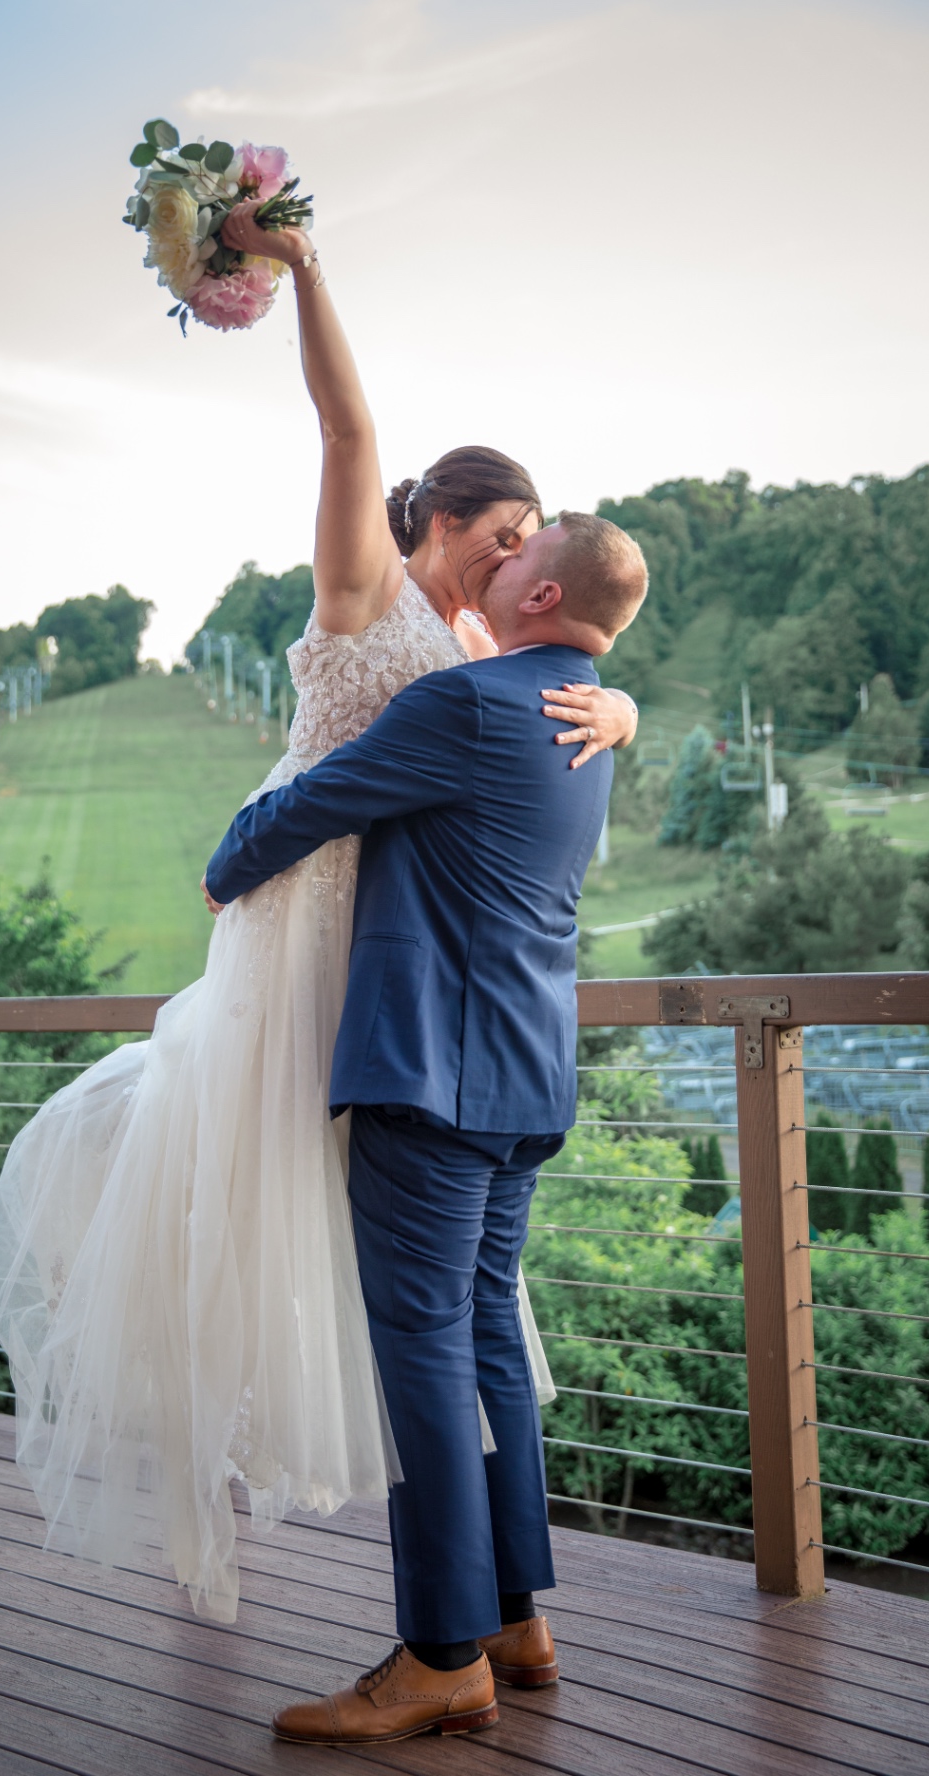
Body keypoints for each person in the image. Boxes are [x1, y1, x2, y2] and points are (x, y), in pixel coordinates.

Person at [0, 202, 638, 1624]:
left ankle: (468, 1625)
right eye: (504, 528)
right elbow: (347, 433)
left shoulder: (482, 653)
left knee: (426, 1302)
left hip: (401, 977)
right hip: (304, 930)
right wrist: (307, 271)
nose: (521, 551)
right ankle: (458, 1610)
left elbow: (561, 672)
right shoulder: (365, 598)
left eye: (537, 538)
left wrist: (626, 701)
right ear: (440, 523)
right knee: (291, 1227)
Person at [206, 510, 649, 1745]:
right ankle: (515, 1618)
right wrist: (625, 702)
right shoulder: (583, 713)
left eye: (522, 547)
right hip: (525, 1077)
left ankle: (440, 1655)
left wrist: (227, 862)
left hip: (432, 1075)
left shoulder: (470, 706)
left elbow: (321, 797)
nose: (499, 556)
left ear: (544, 591)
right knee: (487, 1336)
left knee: (425, 1354)